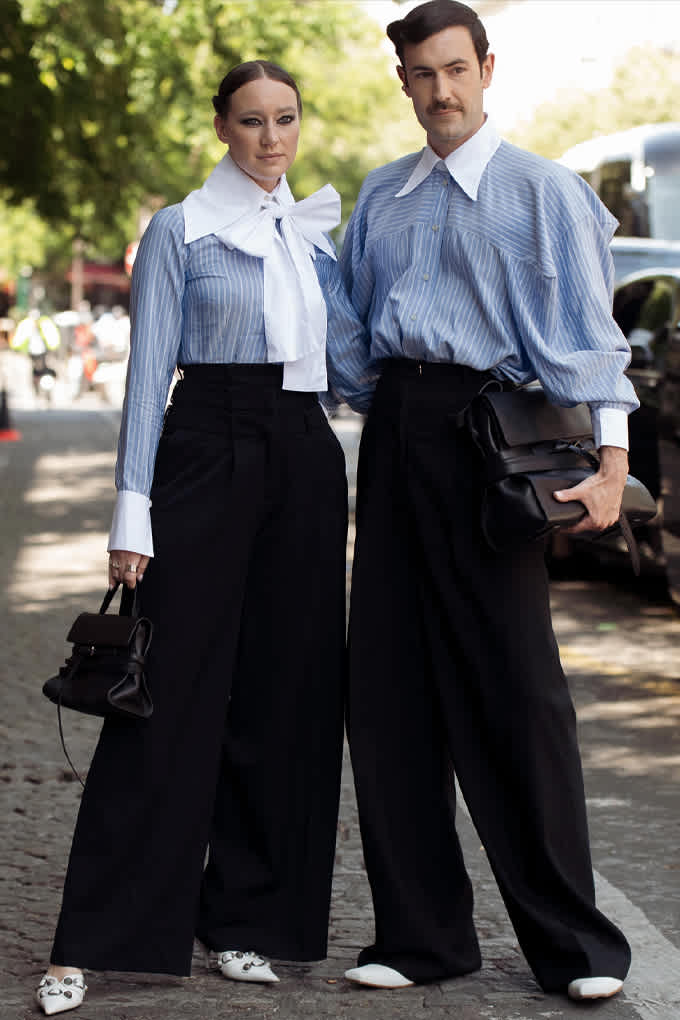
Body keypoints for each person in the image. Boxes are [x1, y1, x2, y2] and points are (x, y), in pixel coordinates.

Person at [36, 60, 371, 1016]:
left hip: (307, 457)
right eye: (254, 122)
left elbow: (352, 371)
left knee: (288, 698)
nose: (273, 139)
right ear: (222, 127)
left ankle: (246, 923)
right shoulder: (181, 230)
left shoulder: (315, 240)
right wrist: (129, 510)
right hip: (204, 448)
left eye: (287, 121)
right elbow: (149, 375)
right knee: (162, 694)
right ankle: (91, 940)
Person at [339, 0, 638, 1003]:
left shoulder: (541, 192)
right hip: (393, 439)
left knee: (518, 693)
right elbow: (348, 344)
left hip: (494, 441)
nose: (441, 90)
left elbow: (589, 336)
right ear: (403, 82)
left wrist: (607, 463)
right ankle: (422, 938)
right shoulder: (378, 199)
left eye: (455, 68)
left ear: (486, 68)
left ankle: (576, 949)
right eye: (421, 73)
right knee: (386, 693)